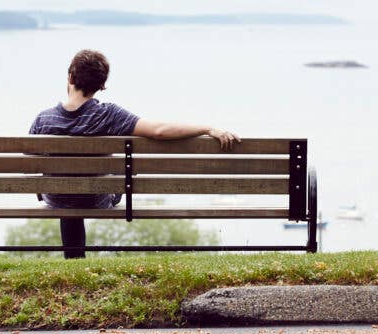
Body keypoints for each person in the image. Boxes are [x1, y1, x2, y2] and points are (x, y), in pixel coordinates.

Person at [29, 49, 240, 258]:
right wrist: (206, 128)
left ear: (70, 77)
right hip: (95, 198)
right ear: (101, 86)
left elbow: (30, 160)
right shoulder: (108, 114)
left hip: (56, 198)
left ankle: (73, 259)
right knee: (116, 177)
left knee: (69, 188)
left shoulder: (44, 119)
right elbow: (159, 131)